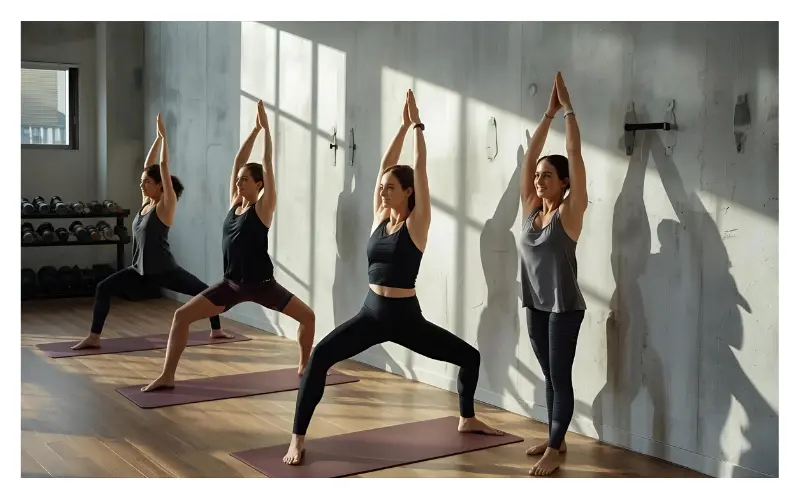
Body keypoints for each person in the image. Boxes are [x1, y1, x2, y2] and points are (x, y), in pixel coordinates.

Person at [282, 89, 504, 466]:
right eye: (382, 186)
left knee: (470, 357)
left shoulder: (417, 223)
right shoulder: (380, 216)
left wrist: (418, 127)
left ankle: (466, 418)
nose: (382, 190)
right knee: (320, 356)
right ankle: (297, 439)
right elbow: (385, 164)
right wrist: (400, 127)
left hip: (406, 319)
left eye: (390, 187)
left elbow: (420, 168)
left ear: (408, 193)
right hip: (371, 313)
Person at [142, 100, 315, 392]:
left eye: (245, 180)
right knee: (181, 316)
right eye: (237, 180)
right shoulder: (235, 203)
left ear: (259, 184)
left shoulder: (264, 208)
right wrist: (254, 129)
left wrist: (268, 133)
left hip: (262, 285)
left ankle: (304, 365)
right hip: (231, 285)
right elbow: (238, 161)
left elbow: (268, 164)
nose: (238, 183)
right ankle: (168, 375)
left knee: (308, 318)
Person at [72, 114, 230, 350]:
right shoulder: (146, 203)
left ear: (160, 185)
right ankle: (94, 337)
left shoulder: (166, 206)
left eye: (147, 182)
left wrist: (165, 139)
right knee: (103, 287)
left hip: (165, 270)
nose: (142, 184)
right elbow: (149, 165)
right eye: (143, 182)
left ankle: (216, 330)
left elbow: (162, 166)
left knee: (205, 292)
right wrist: (157, 139)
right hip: (139, 269)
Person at [519, 72, 588, 476]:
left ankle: (555, 448)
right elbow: (529, 158)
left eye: (548, 175)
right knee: (549, 376)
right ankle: (554, 437)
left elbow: (575, 154)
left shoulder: (569, 212)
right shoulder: (531, 208)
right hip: (535, 304)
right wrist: (546, 115)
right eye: (538, 176)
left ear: (564, 184)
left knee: (560, 377)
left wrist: (569, 111)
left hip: (564, 307)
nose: (538, 178)